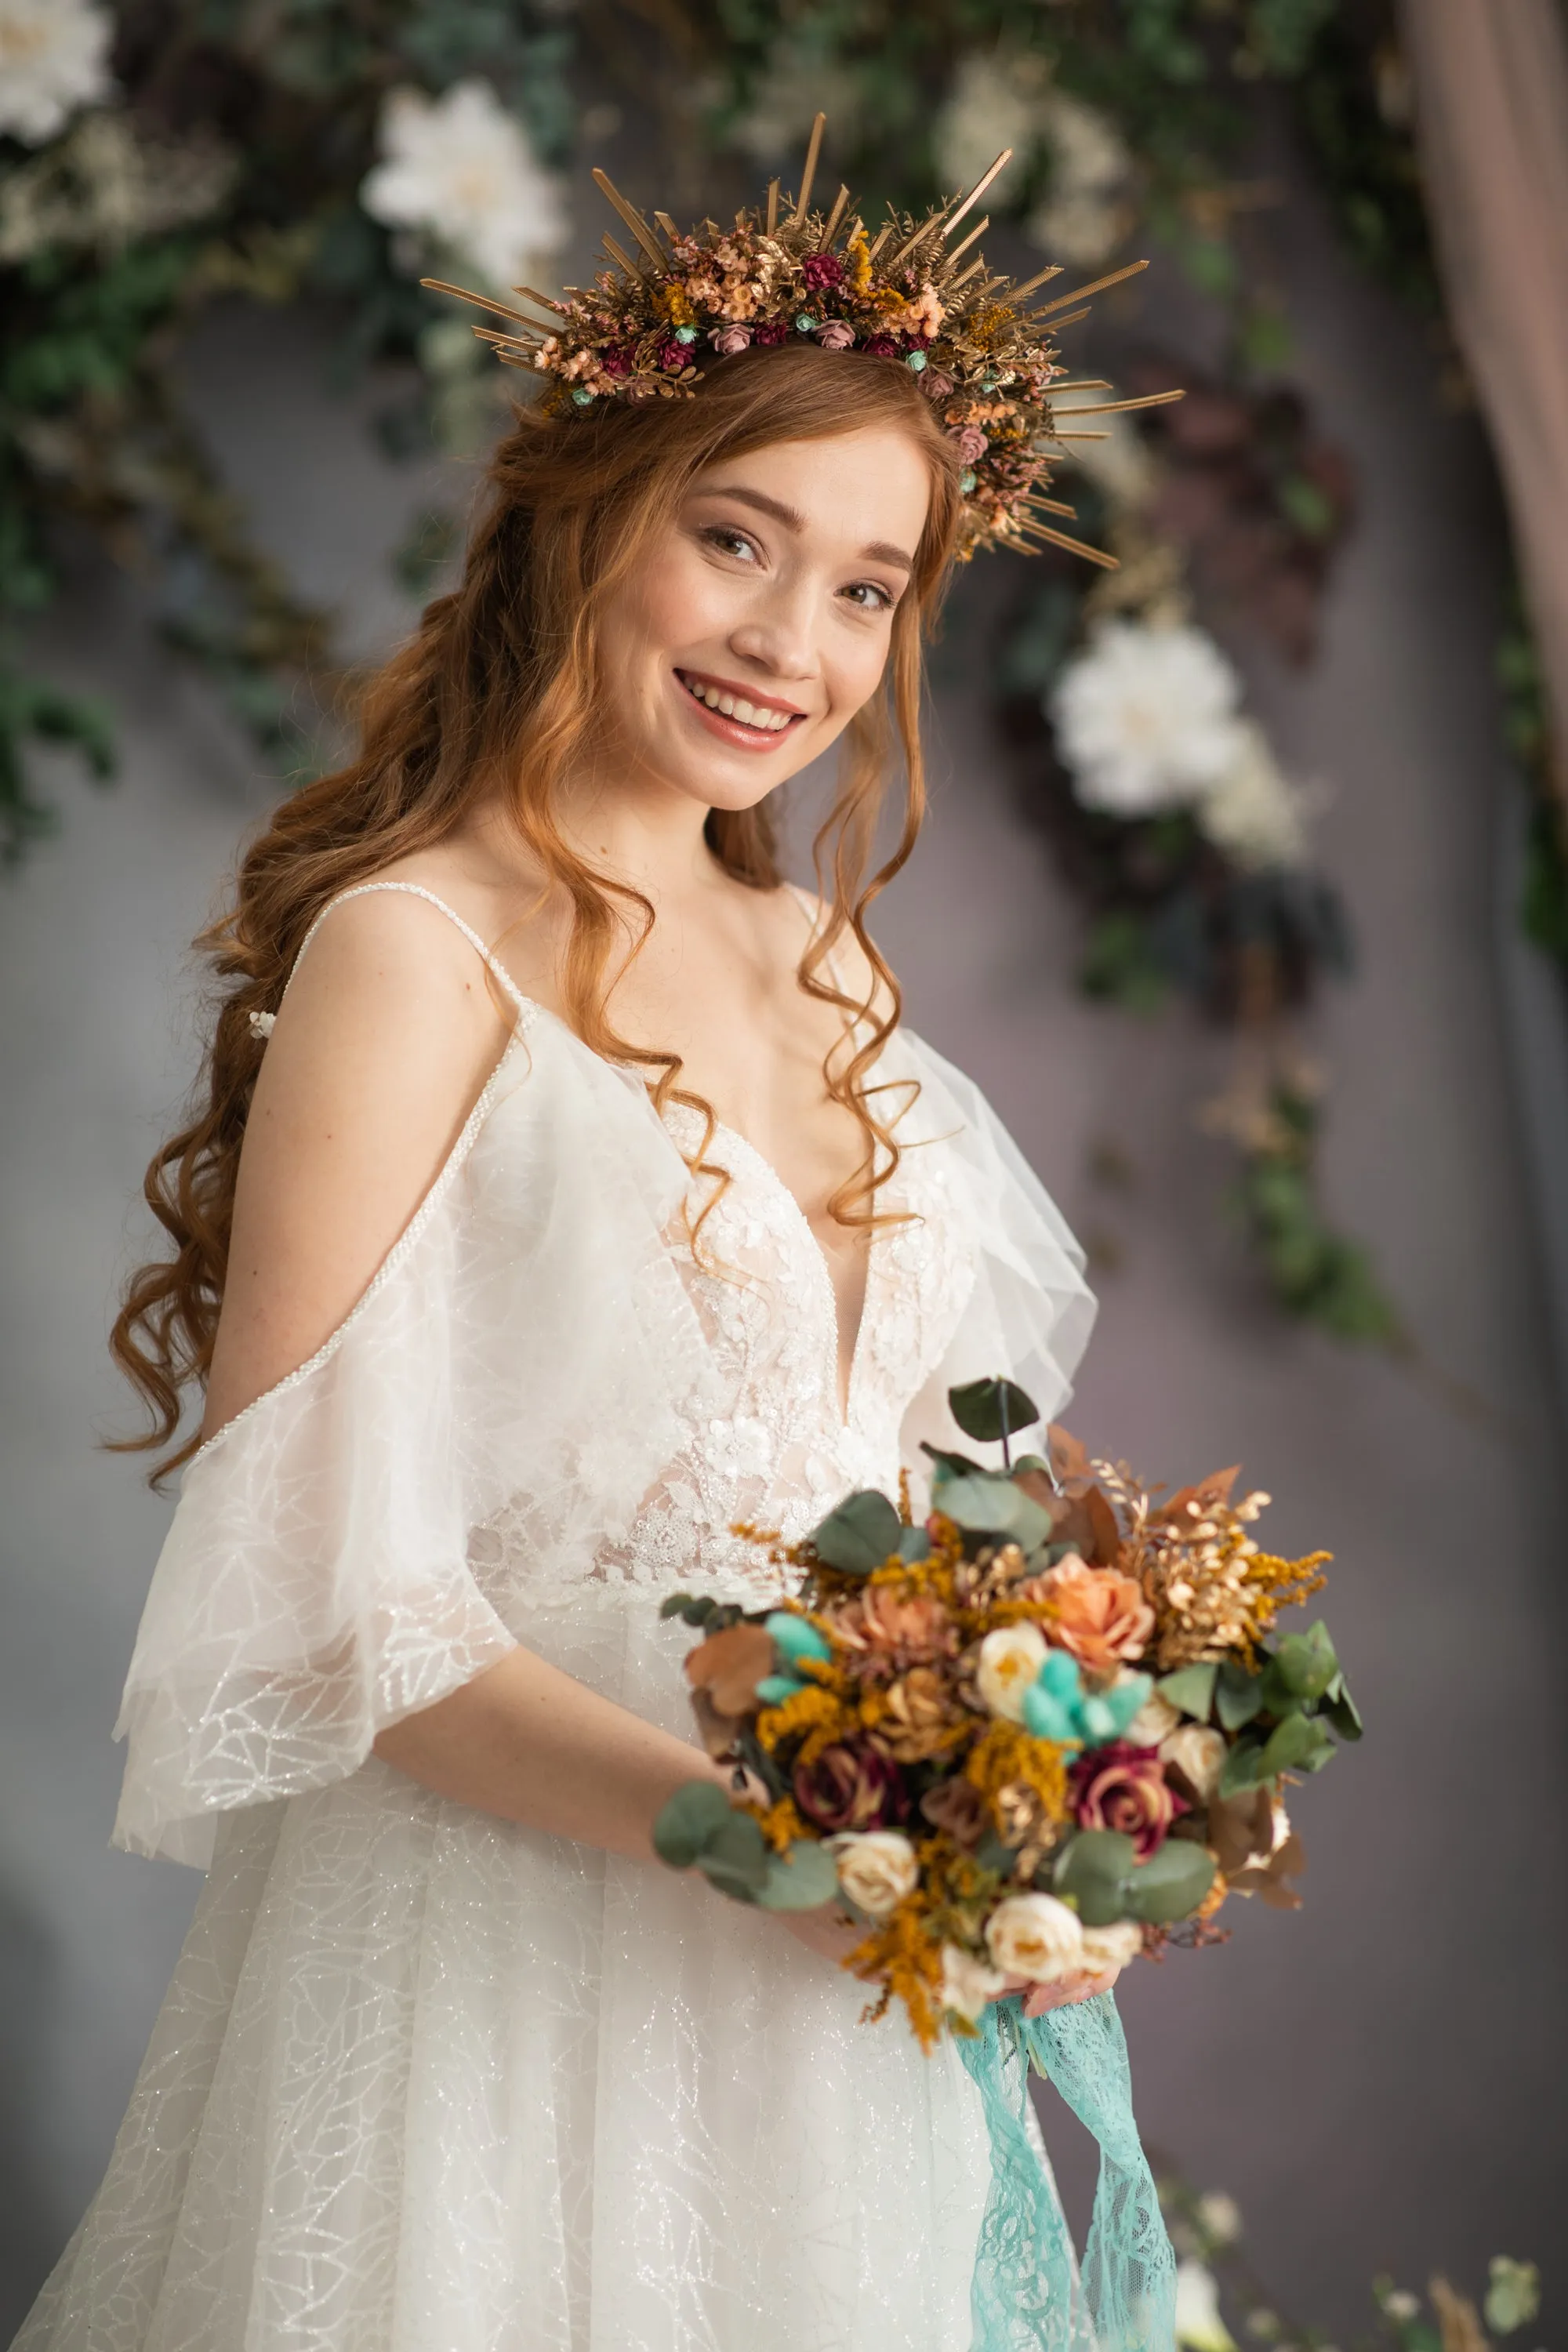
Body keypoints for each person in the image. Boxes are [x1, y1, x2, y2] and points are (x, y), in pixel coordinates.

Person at [14, 150, 1140, 2352]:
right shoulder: (412, 949)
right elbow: (325, 1594)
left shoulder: (832, 971)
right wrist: (773, 1841)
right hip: (508, 1984)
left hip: (831, 2011)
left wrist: (1048, 1772)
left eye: (863, 588)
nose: (784, 643)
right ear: (590, 511)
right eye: (735, 538)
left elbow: (937, 1501)